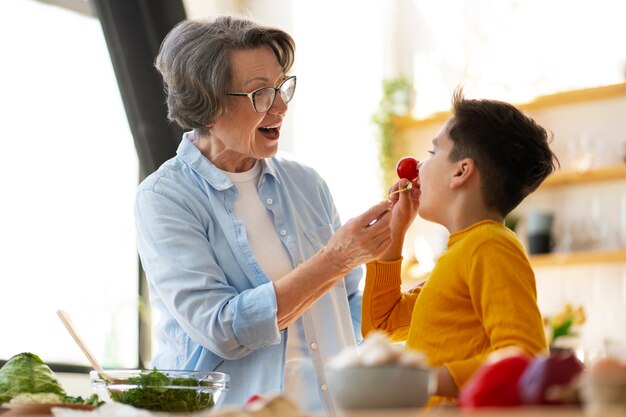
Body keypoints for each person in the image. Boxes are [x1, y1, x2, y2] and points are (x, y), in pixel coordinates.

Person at [134, 16, 393, 415]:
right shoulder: (165, 198)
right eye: (260, 94)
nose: (281, 106)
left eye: (282, 86)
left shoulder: (307, 183)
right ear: (207, 105)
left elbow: (352, 300)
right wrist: (336, 259)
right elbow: (223, 330)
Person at [362, 89, 558, 404]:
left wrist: (424, 380)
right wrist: (394, 232)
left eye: (432, 151)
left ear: (461, 171)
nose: (417, 167)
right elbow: (381, 327)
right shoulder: (462, 251)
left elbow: (524, 359)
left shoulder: (490, 245)